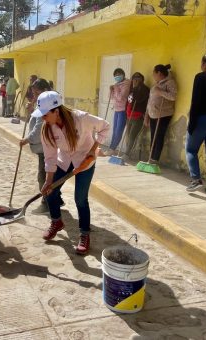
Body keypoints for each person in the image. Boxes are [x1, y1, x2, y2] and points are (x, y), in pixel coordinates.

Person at [33, 91, 110, 254]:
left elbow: (105, 127)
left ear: (56, 111)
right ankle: (56, 221)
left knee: (80, 199)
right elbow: (50, 157)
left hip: (84, 161)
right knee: (50, 192)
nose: (42, 118)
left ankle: (84, 234)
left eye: (45, 114)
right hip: (64, 160)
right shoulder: (47, 129)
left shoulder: (81, 118)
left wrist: (93, 150)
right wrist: (48, 181)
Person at [185, 51, 206, 196]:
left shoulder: (201, 77)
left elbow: (195, 102)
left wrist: (191, 124)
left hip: (202, 119)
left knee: (191, 149)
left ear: (205, 64)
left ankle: (196, 179)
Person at [20, 78, 51, 214]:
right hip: (44, 147)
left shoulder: (47, 105)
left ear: (45, 91)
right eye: (33, 93)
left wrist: (27, 139)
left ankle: (46, 203)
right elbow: (37, 118)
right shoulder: (43, 102)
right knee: (48, 175)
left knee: (43, 177)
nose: (35, 96)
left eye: (37, 93)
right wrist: (31, 109)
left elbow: (40, 128)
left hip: (47, 147)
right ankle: (56, 199)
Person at [144, 64, 177, 164]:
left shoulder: (170, 82)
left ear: (159, 73)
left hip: (163, 114)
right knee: (153, 136)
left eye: (154, 73)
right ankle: (151, 158)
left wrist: (161, 92)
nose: (153, 75)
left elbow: (173, 97)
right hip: (153, 114)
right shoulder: (156, 84)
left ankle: (155, 159)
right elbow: (150, 101)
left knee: (158, 137)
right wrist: (146, 116)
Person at [104, 68, 131, 156]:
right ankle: (112, 148)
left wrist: (116, 88)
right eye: (115, 75)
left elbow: (120, 97)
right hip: (117, 109)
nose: (117, 77)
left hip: (123, 110)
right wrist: (111, 89)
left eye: (119, 75)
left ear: (123, 74)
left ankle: (112, 148)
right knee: (115, 130)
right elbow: (111, 97)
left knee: (119, 130)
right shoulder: (117, 84)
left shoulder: (127, 84)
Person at [125, 72, 150, 157]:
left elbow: (138, 99)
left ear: (142, 80)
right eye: (134, 78)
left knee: (132, 136)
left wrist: (135, 88)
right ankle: (127, 152)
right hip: (129, 116)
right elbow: (128, 101)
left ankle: (127, 154)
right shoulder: (132, 89)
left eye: (138, 78)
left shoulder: (145, 89)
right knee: (128, 135)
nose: (135, 80)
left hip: (138, 117)